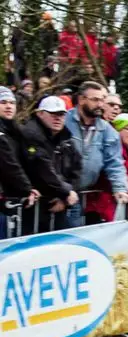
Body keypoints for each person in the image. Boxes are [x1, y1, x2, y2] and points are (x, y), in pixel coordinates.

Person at [64, 81, 128, 226]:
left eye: (102, 100)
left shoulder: (107, 130)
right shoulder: (64, 121)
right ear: (81, 100)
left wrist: (120, 187)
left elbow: (115, 162)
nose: (100, 104)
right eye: (95, 100)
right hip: (58, 194)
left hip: (81, 196)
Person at [19, 96, 81, 231]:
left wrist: (66, 196)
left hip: (59, 203)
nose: (58, 118)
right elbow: (42, 167)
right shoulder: (30, 134)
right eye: (53, 114)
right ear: (40, 113)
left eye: (61, 114)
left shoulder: (67, 139)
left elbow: (76, 169)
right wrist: (66, 192)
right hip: (33, 205)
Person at [89, 113, 128, 222]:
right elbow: (111, 175)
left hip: (121, 202)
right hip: (100, 204)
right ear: (117, 130)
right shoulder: (110, 150)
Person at [0, 87, 37, 236]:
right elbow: (8, 162)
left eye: (12, 103)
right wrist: (27, 188)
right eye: (3, 102)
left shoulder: (16, 129)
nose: (8, 106)